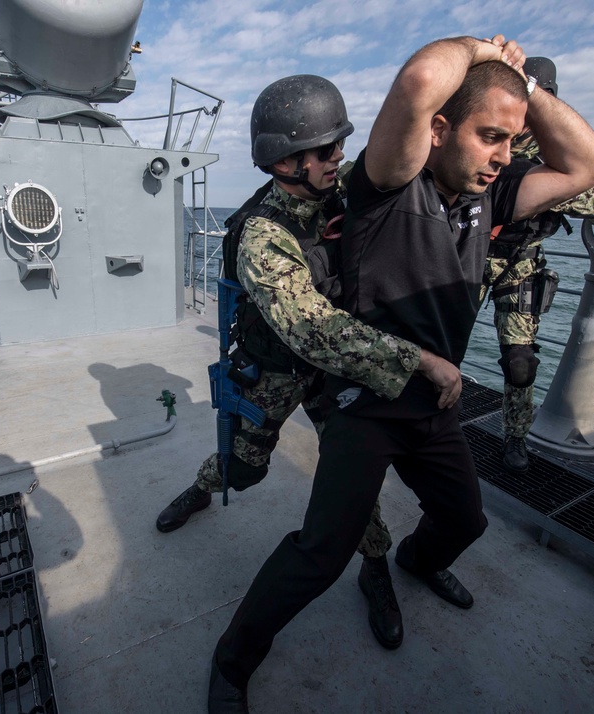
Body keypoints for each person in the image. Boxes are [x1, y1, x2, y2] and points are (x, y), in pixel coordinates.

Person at [208, 35, 594, 713]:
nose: (503, 156)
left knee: (466, 519)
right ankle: (232, 660)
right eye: (489, 137)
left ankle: (413, 564)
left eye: (510, 142)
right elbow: (424, 78)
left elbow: (592, 165)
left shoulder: (496, 195)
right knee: (319, 553)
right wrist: (483, 49)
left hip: (433, 406)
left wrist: (525, 90)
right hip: (363, 405)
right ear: (440, 130)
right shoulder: (384, 187)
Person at [158, 74, 422, 651]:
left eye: (339, 146)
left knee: (352, 476)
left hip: (331, 375)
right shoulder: (261, 233)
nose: (339, 158)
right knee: (245, 467)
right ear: (286, 160)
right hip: (276, 369)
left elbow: (397, 151)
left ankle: (374, 567)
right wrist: (417, 362)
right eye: (326, 150)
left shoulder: (334, 191)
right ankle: (206, 485)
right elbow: (313, 331)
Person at [482, 56, 594, 473]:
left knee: (520, 362)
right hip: (471, 257)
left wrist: (531, 185)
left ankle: (515, 437)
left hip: (520, 264)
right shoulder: (490, 133)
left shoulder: (555, 149)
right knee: (437, 343)